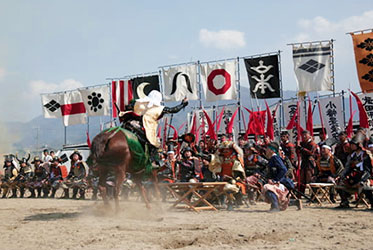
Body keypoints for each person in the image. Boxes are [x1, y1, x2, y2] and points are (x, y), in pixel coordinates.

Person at [131, 90, 188, 164]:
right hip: (147, 125)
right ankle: (152, 160)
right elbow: (173, 110)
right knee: (154, 143)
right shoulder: (159, 109)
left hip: (132, 123)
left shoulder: (139, 104)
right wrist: (183, 104)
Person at [336, 134, 373, 209]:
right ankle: (344, 202)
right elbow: (347, 168)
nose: (351, 146)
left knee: (365, 186)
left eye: (353, 144)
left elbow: (368, 170)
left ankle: (372, 203)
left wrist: (363, 179)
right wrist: (341, 176)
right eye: (351, 144)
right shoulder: (351, 156)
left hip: (366, 176)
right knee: (339, 183)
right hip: (354, 177)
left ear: (358, 145)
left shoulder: (366, 155)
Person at [262, 142, 294, 212]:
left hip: (281, 182)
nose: (266, 151)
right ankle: (294, 202)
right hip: (277, 181)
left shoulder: (275, 158)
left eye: (267, 149)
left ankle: (275, 206)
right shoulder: (272, 159)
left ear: (271, 150)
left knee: (267, 189)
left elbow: (284, 169)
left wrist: (275, 180)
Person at [297, 130, 319, 194]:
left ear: (309, 136)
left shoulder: (312, 144)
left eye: (305, 135)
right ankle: (301, 193)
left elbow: (311, 153)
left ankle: (313, 194)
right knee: (302, 179)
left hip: (310, 163)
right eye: (303, 135)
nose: (304, 137)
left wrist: (302, 148)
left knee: (310, 178)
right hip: (304, 162)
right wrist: (298, 146)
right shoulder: (302, 143)